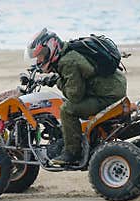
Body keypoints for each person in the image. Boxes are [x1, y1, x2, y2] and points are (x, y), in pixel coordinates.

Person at [25, 28, 127, 164]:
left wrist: (59, 82)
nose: (39, 60)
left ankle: (72, 153)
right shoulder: (69, 52)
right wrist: (56, 78)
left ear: (51, 48)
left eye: (41, 55)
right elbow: (78, 76)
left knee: (67, 110)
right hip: (113, 87)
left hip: (107, 95)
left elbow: (74, 96)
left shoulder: (67, 62)